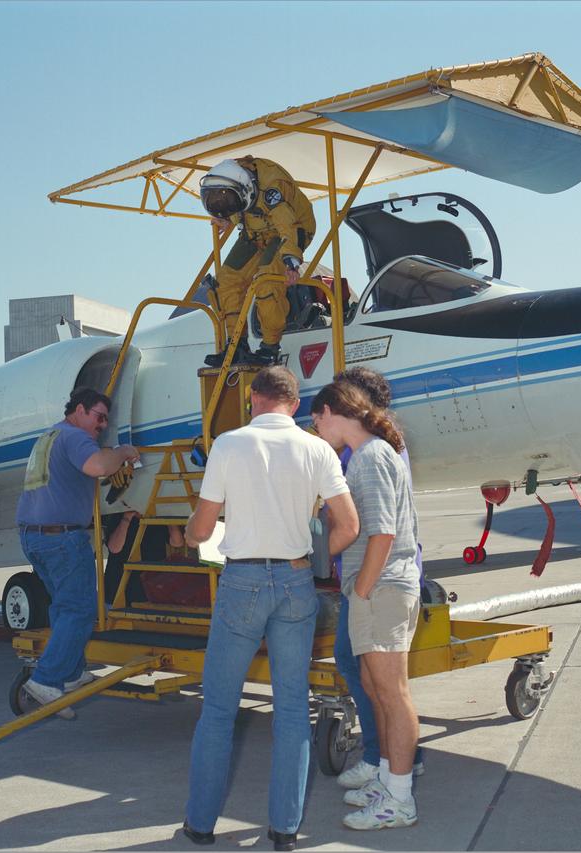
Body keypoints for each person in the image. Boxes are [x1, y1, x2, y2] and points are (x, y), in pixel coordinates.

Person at [181, 366, 360, 851]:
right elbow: (348, 525)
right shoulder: (317, 449)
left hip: (242, 580)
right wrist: (313, 562)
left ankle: (201, 825)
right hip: (296, 581)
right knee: (292, 711)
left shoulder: (228, 444)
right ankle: (284, 830)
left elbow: (203, 528)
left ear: (252, 398)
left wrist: (191, 535)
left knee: (219, 709)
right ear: (294, 403)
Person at [310, 381, 422, 830]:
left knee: (392, 695)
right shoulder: (368, 454)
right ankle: (387, 780)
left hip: (381, 589)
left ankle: (400, 799)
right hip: (379, 588)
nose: (317, 431)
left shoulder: (370, 457)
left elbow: (382, 533)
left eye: (317, 421)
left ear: (332, 411)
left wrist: (361, 591)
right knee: (377, 691)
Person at [15, 387, 140, 719]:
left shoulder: (51, 436)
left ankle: (71, 673)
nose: (102, 425)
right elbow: (97, 466)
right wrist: (122, 452)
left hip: (35, 537)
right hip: (62, 539)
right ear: (80, 410)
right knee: (80, 609)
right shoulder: (75, 437)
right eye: (99, 417)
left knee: (64, 607)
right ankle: (47, 680)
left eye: (105, 420)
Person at [198, 156, 316, 367]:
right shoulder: (239, 188)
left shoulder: (272, 185)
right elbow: (238, 204)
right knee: (225, 281)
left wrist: (291, 262)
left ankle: (270, 348)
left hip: (290, 231)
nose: (224, 204)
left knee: (266, 280)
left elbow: (286, 223)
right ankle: (236, 345)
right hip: (255, 234)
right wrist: (226, 217)